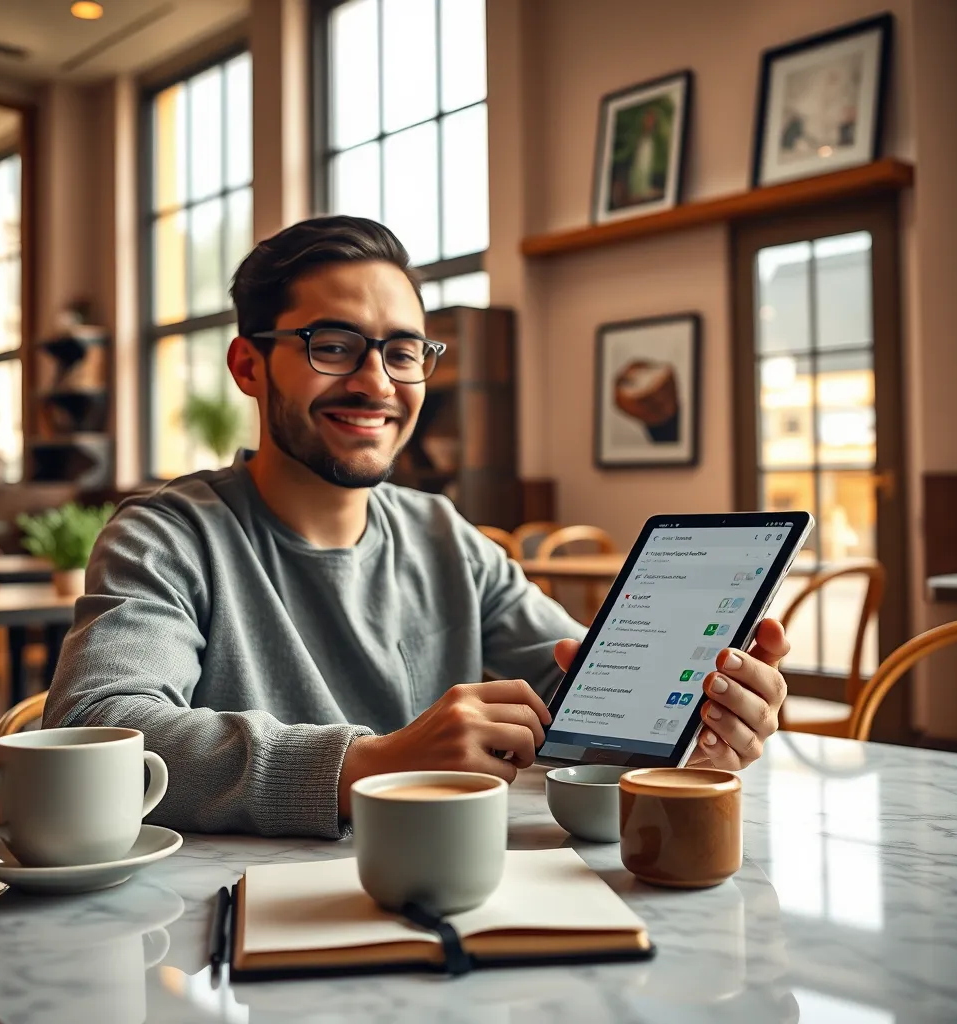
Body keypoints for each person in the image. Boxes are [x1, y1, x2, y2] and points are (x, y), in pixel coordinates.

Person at [44, 216, 791, 839]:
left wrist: (697, 722)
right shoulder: (169, 535)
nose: (376, 383)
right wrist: (369, 763)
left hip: (459, 910)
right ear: (249, 364)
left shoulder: (444, 534)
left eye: (402, 352)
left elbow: (575, 695)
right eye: (332, 346)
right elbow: (99, 725)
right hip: (230, 948)